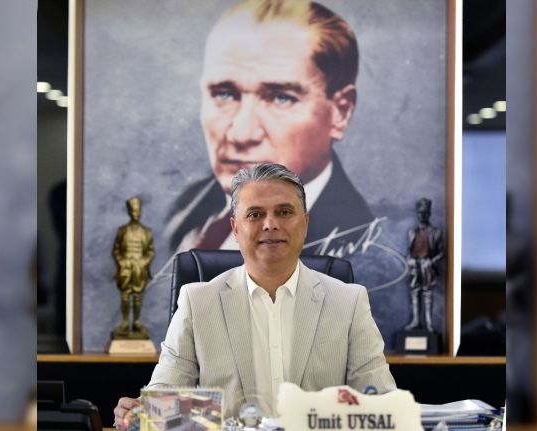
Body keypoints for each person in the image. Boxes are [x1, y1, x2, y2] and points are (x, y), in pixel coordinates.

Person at [114, 163, 395, 425]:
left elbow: (379, 403)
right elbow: (166, 396)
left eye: (284, 212)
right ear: (235, 228)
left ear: (305, 223)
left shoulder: (348, 302)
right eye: (255, 214)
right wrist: (141, 412)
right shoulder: (197, 302)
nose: (270, 224)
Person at [164, 0, 375, 255]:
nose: (241, 134)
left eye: (281, 98)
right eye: (224, 94)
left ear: (341, 112)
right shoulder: (185, 211)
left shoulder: (364, 248)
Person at [111, 197, 156, 335]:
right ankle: (125, 322)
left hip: (139, 268)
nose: (136, 213)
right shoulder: (122, 231)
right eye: (134, 211)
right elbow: (116, 250)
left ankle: (136, 322)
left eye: (138, 211)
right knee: (125, 295)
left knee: (138, 296)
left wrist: (144, 262)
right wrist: (121, 262)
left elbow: (150, 251)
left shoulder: (147, 232)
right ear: (129, 212)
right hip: (125, 268)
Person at [404, 198, 444, 332]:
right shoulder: (412, 232)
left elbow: (441, 253)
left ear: (429, 213)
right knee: (415, 293)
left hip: (427, 266)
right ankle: (416, 321)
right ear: (417, 213)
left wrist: (431, 262)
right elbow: (409, 251)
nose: (423, 215)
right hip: (415, 266)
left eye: (425, 212)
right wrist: (410, 260)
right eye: (420, 212)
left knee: (428, 294)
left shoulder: (436, 232)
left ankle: (428, 323)